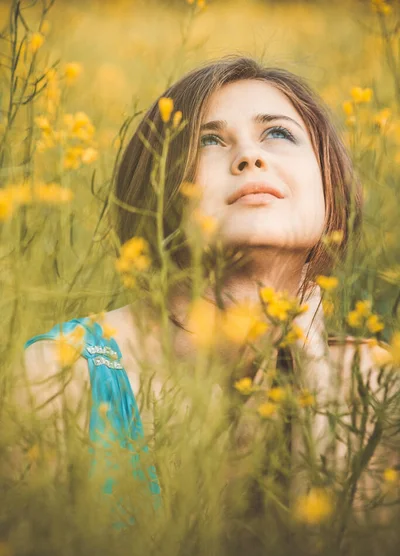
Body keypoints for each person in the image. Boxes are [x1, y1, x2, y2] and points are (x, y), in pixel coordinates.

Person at [20, 55, 391, 527]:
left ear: (329, 183)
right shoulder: (60, 374)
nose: (250, 157)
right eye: (209, 140)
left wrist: (315, 390)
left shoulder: (376, 385)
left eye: (277, 133)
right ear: (157, 191)